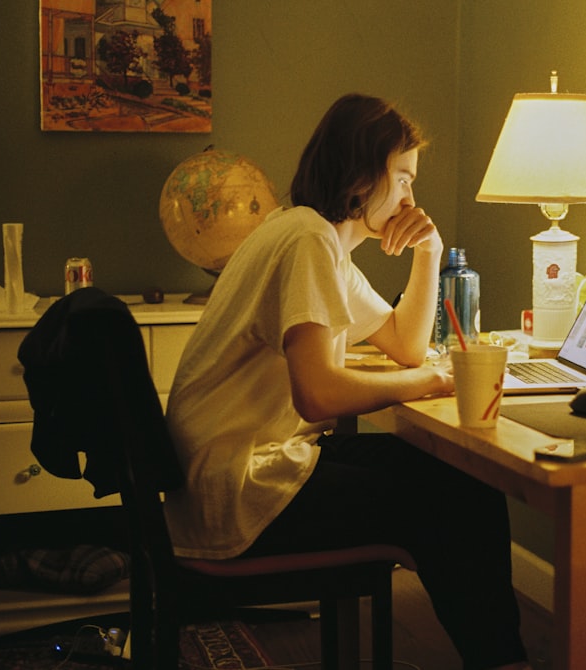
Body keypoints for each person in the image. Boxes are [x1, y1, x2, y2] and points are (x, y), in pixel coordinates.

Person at [164, 93, 530, 670]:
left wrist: (427, 252)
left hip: (240, 471)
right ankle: (502, 660)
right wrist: (425, 383)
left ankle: (498, 657)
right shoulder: (306, 242)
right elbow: (320, 394)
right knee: (456, 499)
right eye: (403, 178)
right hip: (239, 492)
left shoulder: (318, 241)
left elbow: (404, 344)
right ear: (362, 175)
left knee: (458, 478)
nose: (411, 196)